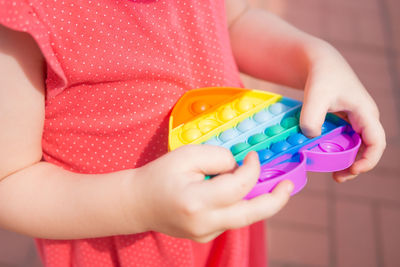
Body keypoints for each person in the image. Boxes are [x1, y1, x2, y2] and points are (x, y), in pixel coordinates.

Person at [0, 0, 385, 266]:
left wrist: (316, 58)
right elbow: (9, 181)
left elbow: (232, 21)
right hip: (122, 239)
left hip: (223, 215)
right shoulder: (24, 21)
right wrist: (137, 203)